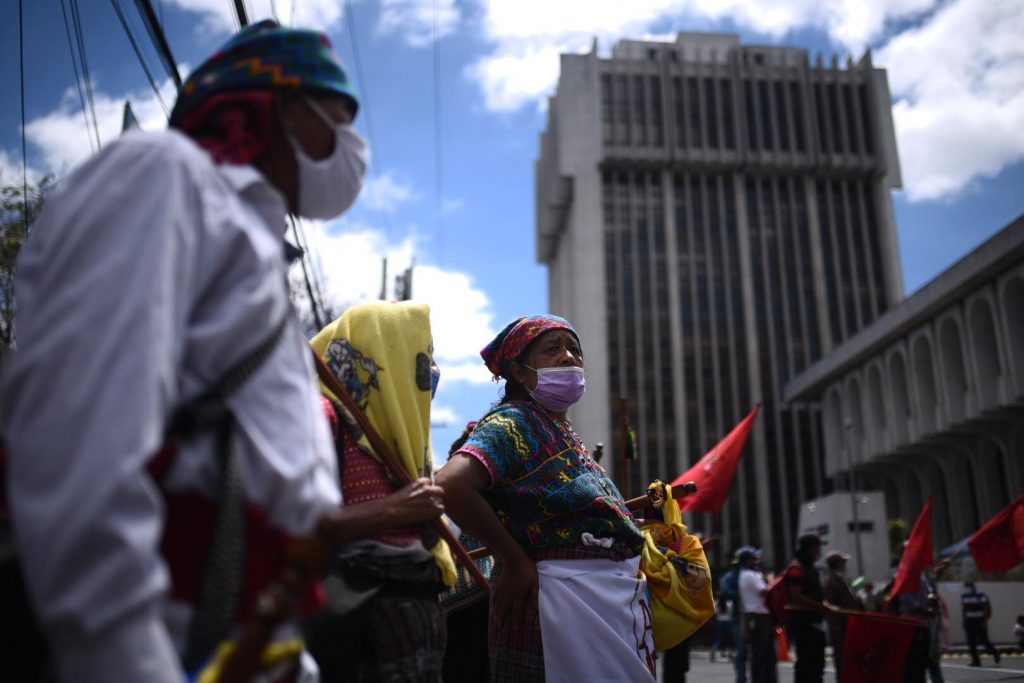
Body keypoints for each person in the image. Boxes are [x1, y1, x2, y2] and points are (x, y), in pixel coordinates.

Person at [0, 20, 447, 682]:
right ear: (285, 108)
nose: (352, 146)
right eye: (338, 117)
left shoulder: (249, 246)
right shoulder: (162, 177)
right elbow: (79, 448)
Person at [436, 315, 653, 682]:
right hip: (559, 607)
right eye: (552, 350)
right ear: (520, 372)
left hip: (600, 605)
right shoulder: (514, 421)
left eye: (575, 350)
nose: (569, 357)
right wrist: (515, 560)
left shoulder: (559, 427)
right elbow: (451, 485)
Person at [306, 302, 455, 682]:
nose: (431, 369)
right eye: (423, 353)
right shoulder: (322, 419)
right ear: (382, 355)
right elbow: (297, 524)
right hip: (350, 619)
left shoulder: (401, 440)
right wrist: (393, 510)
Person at [783, 533, 837, 683]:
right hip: (804, 625)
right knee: (807, 667)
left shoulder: (809, 567)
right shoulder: (796, 568)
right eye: (817, 547)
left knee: (817, 666)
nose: (819, 550)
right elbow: (795, 596)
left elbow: (814, 595)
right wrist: (819, 607)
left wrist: (825, 605)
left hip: (815, 623)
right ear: (811, 548)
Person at [738, 548, 777, 683]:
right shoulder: (749, 575)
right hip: (757, 616)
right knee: (760, 652)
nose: (756, 561)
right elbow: (765, 592)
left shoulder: (752, 574)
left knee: (765, 652)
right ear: (747, 560)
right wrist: (772, 580)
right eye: (753, 558)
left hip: (760, 615)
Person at [822, 550, 863, 680]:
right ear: (837, 563)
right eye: (842, 561)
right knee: (842, 660)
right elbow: (831, 606)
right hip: (840, 627)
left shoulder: (842, 578)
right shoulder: (831, 580)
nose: (844, 564)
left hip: (849, 624)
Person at [720, 549, 749, 683]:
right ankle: (741, 678)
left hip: (754, 617)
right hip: (740, 617)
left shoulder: (754, 573)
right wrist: (741, 593)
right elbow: (726, 591)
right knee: (741, 650)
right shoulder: (731, 576)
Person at [961, 581, 1001, 667]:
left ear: (972, 586)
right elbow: (964, 608)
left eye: (967, 586)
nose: (966, 588)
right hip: (969, 621)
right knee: (971, 642)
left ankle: (994, 652)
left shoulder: (980, 594)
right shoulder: (964, 595)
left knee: (984, 640)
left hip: (979, 620)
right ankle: (976, 661)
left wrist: (985, 621)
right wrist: (964, 620)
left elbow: (986, 607)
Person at [710, 595, 734, 662]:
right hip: (728, 622)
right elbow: (731, 612)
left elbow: (714, 612)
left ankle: (713, 653)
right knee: (729, 639)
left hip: (720, 622)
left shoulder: (717, 603)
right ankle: (730, 654)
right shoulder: (729, 603)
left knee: (718, 639)